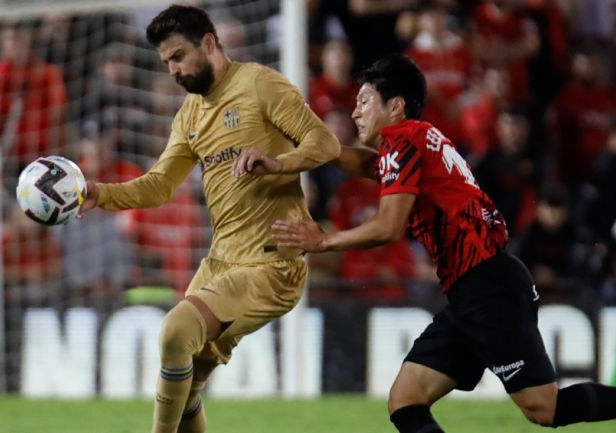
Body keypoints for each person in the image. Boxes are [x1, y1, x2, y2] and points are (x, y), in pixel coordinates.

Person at [271, 54, 616, 432]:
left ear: (395, 106)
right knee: (406, 399)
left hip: (488, 287)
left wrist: (322, 241)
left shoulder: (402, 139)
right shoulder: (420, 137)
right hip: (474, 289)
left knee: (544, 408)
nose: (355, 112)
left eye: (364, 101)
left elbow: (389, 225)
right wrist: (320, 146)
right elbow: (372, 167)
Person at [77, 5, 340, 433]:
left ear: (210, 43)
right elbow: (159, 186)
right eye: (167, 63)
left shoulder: (260, 85)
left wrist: (280, 162)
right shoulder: (190, 115)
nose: (173, 71)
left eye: (179, 57)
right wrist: (100, 192)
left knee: (175, 331)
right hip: (220, 263)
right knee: (188, 387)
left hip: (271, 263)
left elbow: (324, 142)